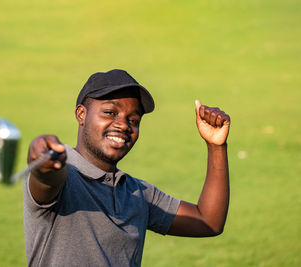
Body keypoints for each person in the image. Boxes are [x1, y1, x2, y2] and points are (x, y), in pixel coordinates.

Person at [23, 69, 230, 267]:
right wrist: (42, 159)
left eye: (133, 120)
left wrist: (216, 145)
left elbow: (208, 221)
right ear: (81, 114)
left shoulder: (138, 193)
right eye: (109, 112)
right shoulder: (66, 176)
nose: (123, 125)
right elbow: (47, 178)